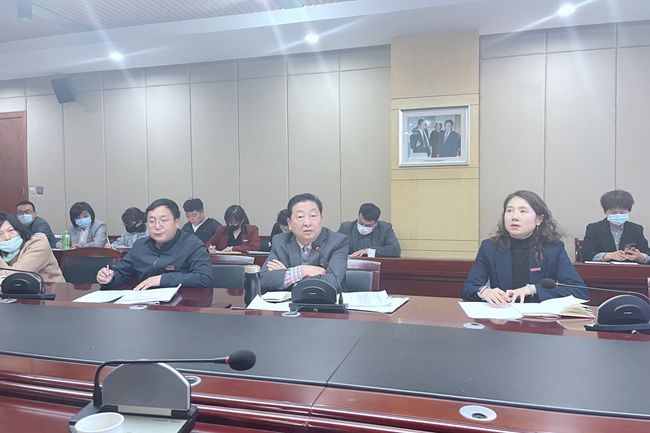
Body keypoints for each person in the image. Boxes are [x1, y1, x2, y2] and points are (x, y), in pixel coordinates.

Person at [462, 190, 588, 305]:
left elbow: (579, 291)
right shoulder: (490, 247)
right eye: (509, 211)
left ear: (539, 219)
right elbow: (469, 287)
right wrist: (484, 291)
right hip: (502, 315)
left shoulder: (553, 248)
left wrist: (533, 289)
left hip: (539, 319)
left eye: (523, 211)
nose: (514, 217)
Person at [97, 198, 214, 290]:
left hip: (182, 305)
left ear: (177, 222)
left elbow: (204, 278)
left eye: (163, 220)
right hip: (144, 304)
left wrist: (163, 279)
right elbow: (122, 272)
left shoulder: (192, 244)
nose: (157, 226)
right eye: (152, 221)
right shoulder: (140, 245)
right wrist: (109, 276)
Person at [261, 193, 348, 292]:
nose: (307, 223)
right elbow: (264, 280)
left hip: (326, 300)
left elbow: (332, 282)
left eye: (313, 216)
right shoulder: (280, 241)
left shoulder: (338, 241)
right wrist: (303, 271)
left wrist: (288, 276)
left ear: (321, 220)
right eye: (300, 217)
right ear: (290, 223)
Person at [580, 190, 650, 263]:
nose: (618, 215)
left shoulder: (636, 229)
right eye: (613, 212)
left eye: (622, 212)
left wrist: (641, 257)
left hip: (629, 269)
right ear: (605, 212)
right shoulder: (594, 228)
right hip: (603, 269)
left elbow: (647, 254)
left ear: (629, 211)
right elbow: (586, 255)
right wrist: (607, 256)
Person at [0, 212, 65, 282]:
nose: (7, 237)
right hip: (15, 288)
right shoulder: (3, 250)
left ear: (19, 228)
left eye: (11, 230)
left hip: (50, 287)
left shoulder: (38, 242)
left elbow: (17, 275)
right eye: (0, 234)